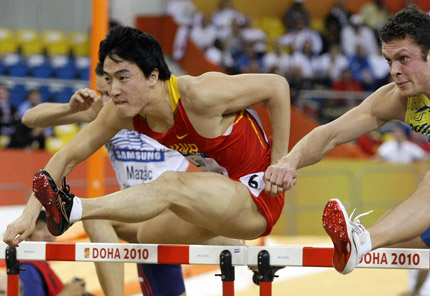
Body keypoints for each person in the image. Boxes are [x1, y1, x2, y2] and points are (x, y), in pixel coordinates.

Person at [3, 25, 290, 267]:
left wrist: (279, 163)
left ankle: (74, 208)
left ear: (153, 76)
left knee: (171, 185)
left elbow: (277, 86)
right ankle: (244, 252)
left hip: (259, 196)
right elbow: (66, 155)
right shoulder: (121, 112)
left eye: (123, 78)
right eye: (109, 79)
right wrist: (28, 215)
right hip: (221, 197)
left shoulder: (200, 94)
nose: (113, 90)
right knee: (150, 233)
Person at [265, 5, 430, 275]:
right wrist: (288, 161)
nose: (394, 70)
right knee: (397, 234)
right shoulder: (401, 99)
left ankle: (360, 241)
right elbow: (330, 134)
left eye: (403, 59)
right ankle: (331, 252)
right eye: (389, 61)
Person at [21, 64, 189, 296]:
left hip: (177, 215)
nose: (110, 98)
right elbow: (30, 118)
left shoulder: (172, 107)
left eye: (113, 91)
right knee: (96, 219)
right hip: (138, 216)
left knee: (231, 241)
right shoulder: (106, 111)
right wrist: (68, 108)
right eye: (104, 93)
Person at [20, 210, 91, 296]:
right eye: (40, 228)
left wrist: (71, 289)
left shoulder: (42, 266)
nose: (48, 233)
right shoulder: (28, 269)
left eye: (51, 227)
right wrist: (68, 293)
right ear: (27, 235)